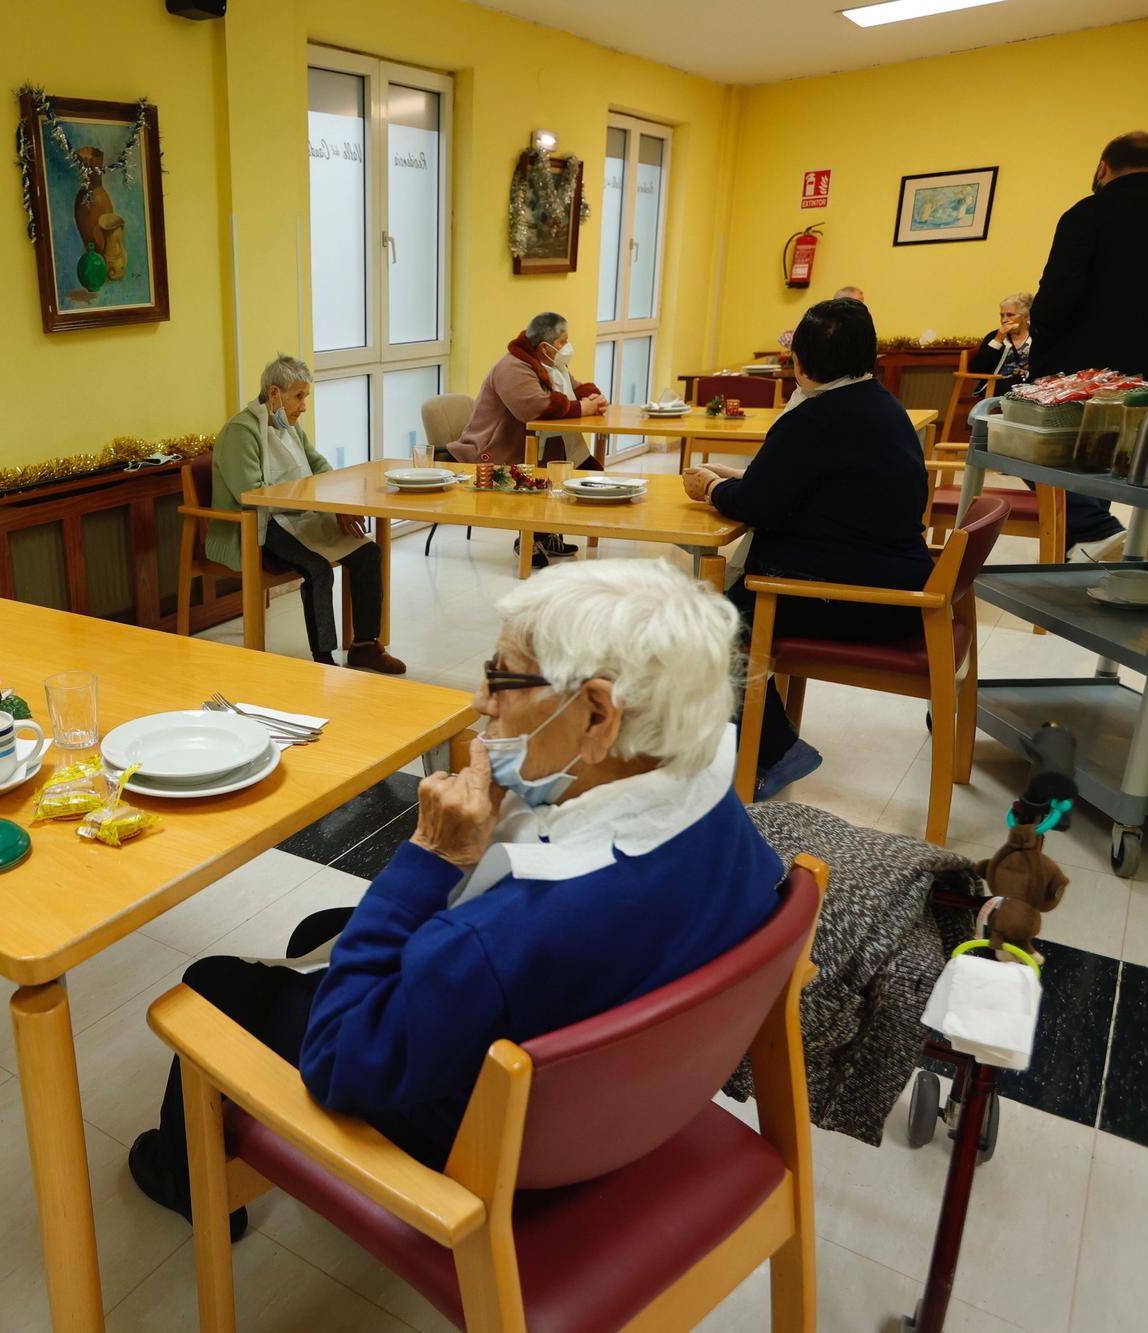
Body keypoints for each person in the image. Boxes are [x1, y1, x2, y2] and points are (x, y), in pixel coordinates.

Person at [126, 558, 783, 1233]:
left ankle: (185, 1179)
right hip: (629, 1093)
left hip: (485, 1154)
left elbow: (336, 1058)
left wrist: (430, 856)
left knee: (213, 985)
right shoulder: (717, 807)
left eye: (503, 676)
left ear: (596, 714)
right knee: (324, 926)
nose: (480, 700)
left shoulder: (501, 935)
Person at [683, 298, 933, 800]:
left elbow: (759, 505)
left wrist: (709, 489)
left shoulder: (814, 418)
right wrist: (738, 478)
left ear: (798, 362)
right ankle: (749, 743)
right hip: (894, 580)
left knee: (708, 627)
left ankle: (769, 750)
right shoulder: (880, 405)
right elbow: (807, 483)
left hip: (857, 599)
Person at [1027, 130, 1148, 561]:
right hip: (1139, 357)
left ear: (1103, 166)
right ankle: (1090, 555)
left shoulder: (1087, 213)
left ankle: (1097, 530)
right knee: (1106, 457)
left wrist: (1043, 338)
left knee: (1027, 443)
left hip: (1074, 362)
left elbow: (1056, 294)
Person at [208, 355, 406, 673]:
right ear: (274, 394)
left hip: (299, 515)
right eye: (298, 396)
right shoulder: (240, 432)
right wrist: (319, 504)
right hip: (259, 523)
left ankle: (365, 646)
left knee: (368, 553)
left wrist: (340, 505)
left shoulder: (291, 429)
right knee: (318, 570)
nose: (304, 406)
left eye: (305, 397)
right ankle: (323, 662)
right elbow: (253, 495)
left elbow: (319, 468)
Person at [451, 312, 610, 565]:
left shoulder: (549, 363)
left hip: (534, 445)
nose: (567, 347)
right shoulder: (512, 367)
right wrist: (583, 408)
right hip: (496, 450)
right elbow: (534, 408)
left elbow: (574, 387)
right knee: (549, 476)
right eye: (563, 342)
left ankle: (546, 534)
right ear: (545, 347)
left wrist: (593, 398)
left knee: (589, 473)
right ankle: (528, 538)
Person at [970, 292, 1035, 395]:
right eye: (1002, 315)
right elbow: (977, 369)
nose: (1004, 320)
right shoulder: (994, 336)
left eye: (1010, 315)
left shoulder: (1036, 336)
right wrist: (998, 340)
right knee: (1011, 390)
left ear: (1026, 317)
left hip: (1031, 384)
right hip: (998, 385)